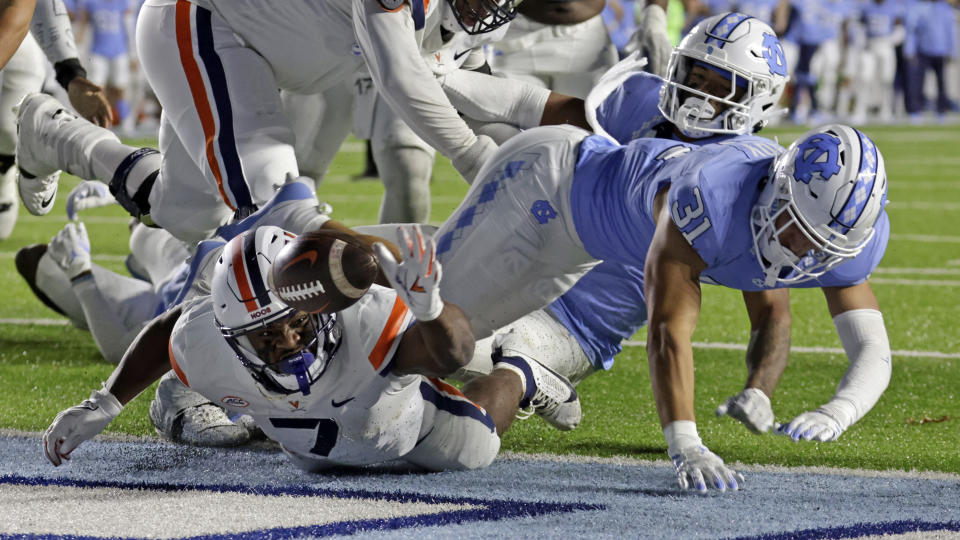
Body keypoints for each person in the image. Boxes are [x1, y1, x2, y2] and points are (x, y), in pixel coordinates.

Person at [427, 117, 890, 492]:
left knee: (449, 326)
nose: (799, 251)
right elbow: (669, 330)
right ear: (777, 190)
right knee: (426, 318)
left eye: (819, 247)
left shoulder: (836, 240)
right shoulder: (712, 195)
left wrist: (831, 408)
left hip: (580, 256)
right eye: (794, 228)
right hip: (544, 190)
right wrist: (686, 444)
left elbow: (858, 343)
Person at [442, 12, 793, 436]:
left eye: (721, 88)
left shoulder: (746, 181)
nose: (699, 94)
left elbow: (772, 310)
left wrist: (760, 388)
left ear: (758, 100)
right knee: (420, 331)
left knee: (495, 377)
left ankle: (486, 415)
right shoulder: (644, 101)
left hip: (576, 323)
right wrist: (432, 76)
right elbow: (530, 106)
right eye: (697, 77)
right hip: (524, 257)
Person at [41, 224, 579, 472]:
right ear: (231, 335)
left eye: (296, 322)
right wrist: (104, 403)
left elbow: (451, 354)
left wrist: (431, 308)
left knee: (474, 447)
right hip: (313, 445)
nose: (291, 342)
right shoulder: (204, 340)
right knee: (264, 436)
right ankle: (184, 401)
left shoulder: (367, 324)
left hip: (400, 424)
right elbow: (172, 329)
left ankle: (523, 370)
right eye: (266, 336)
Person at [17, 0, 518, 245]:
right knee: (275, 214)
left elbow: (476, 85)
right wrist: (479, 161)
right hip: (204, 23)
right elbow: (403, 80)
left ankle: (57, 135)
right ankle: (201, 386)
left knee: (187, 214)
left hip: (268, 59)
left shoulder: (463, 16)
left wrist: (533, 162)